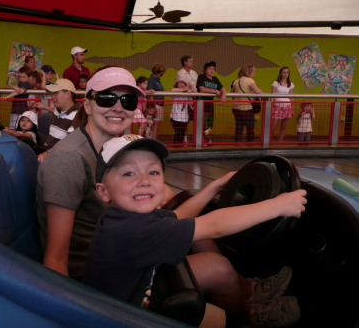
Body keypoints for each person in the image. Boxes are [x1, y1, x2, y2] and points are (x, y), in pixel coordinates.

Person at [84, 135, 307, 327]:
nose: (144, 181)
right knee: (218, 265)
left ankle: (249, 290)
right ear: (103, 192)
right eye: (129, 174)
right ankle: (246, 316)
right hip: (128, 316)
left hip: (138, 284)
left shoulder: (123, 217)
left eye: (153, 172)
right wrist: (278, 206)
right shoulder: (131, 230)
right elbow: (216, 226)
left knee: (203, 243)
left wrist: (215, 186)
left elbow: (180, 216)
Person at [37, 67, 145, 279]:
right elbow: (56, 259)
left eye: (128, 101)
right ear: (87, 105)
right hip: (95, 277)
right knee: (219, 270)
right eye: (106, 98)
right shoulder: (69, 159)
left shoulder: (115, 150)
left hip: (122, 251)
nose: (118, 108)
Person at [35, 79, 81, 162]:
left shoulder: (77, 116)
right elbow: (53, 110)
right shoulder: (59, 111)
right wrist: (44, 106)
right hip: (47, 151)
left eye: (56, 93)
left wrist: (47, 153)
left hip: (58, 157)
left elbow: (69, 143)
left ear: (67, 94)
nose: (53, 97)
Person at [230, 64, 263, 143]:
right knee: (250, 127)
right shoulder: (249, 80)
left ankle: (237, 144)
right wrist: (264, 96)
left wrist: (237, 99)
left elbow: (231, 92)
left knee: (239, 127)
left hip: (236, 107)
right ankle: (250, 144)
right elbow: (258, 91)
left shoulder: (237, 81)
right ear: (249, 72)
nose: (254, 73)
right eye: (253, 72)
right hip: (246, 108)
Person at [197, 61, 227, 143]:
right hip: (202, 103)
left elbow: (223, 88)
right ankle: (204, 139)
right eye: (209, 68)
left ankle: (208, 138)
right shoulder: (201, 77)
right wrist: (216, 91)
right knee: (203, 121)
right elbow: (202, 89)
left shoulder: (215, 79)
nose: (211, 70)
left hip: (210, 103)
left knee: (210, 121)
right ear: (205, 70)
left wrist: (223, 95)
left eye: (213, 68)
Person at [176, 55, 198, 143]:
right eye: (190, 61)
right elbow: (180, 86)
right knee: (185, 120)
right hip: (185, 100)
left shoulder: (194, 73)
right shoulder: (180, 73)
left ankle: (196, 139)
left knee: (196, 119)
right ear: (185, 62)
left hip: (195, 99)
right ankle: (184, 139)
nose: (192, 63)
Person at [271, 67, 295, 142]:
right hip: (277, 107)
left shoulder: (290, 84)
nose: (286, 74)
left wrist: (292, 109)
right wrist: (272, 107)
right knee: (273, 127)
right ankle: (268, 141)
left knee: (283, 127)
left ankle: (279, 143)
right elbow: (272, 96)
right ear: (280, 73)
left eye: (287, 72)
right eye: (284, 72)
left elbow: (292, 97)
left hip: (287, 107)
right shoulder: (275, 83)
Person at [170, 78, 196, 144]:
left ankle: (179, 147)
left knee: (181, 134)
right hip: (175, 117)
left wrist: (191, 87)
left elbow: (195, 94)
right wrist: (185, 88)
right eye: (179, 82)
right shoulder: (175, 92)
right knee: (178, 134)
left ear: (185, 84)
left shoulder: (187, 93)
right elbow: (172, 90)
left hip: (184, 117)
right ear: (176, 84)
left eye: (182, 82)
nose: (181, 84)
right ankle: (176, 148)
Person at [147, 63, 166, 139]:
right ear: (157, 72)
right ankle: (152, 139)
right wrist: (153, 106)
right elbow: (150, 94)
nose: (161, 75)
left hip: (160, 104)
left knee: (157, 123)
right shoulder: (151, 80)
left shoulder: (158, 80)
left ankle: (154, 138)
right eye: (161, 74)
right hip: (155, 104)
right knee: (153, 124)